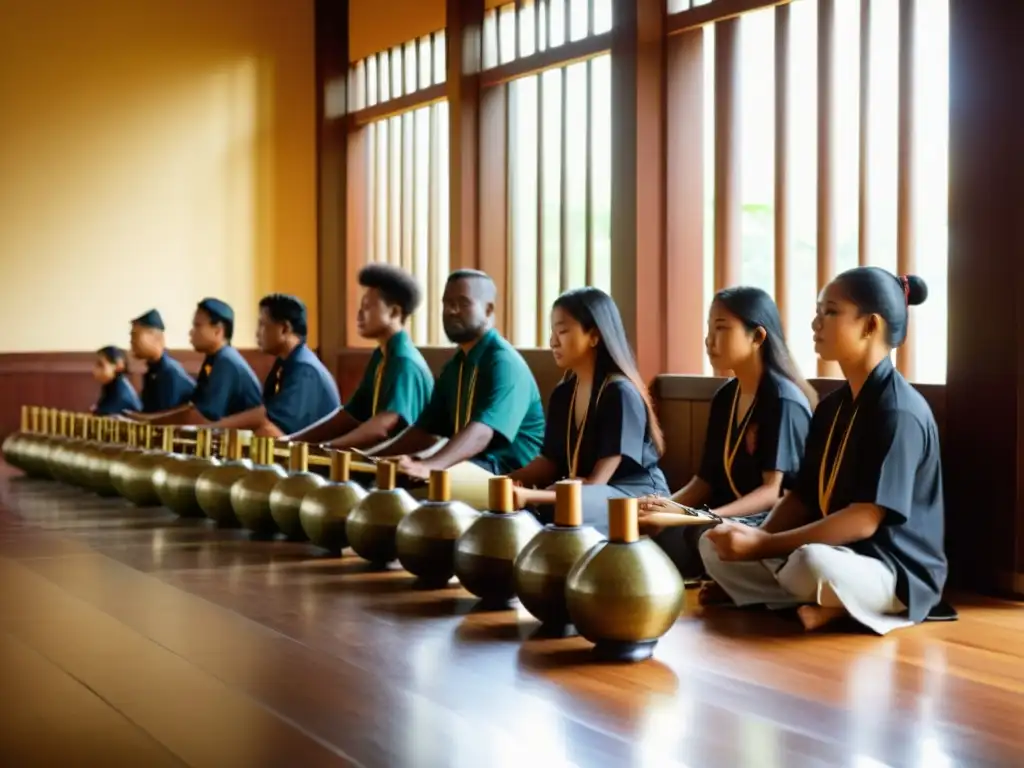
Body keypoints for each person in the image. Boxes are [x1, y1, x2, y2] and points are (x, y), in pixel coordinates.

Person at [699, 268, 948, 635]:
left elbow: (865, 519)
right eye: (818, 311)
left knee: (810, 562)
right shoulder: (833, 407)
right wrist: (755, 540)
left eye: (830, 312)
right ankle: (828, 604)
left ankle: (840, 606)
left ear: (870, 326)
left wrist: (764, 546)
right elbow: (801, 498)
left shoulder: (898, 411)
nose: (815, 323)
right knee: (713, 542)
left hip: (890, 568)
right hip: (834, 556)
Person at [637, 286, 816, 584]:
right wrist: (667, 509)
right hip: (724, 514)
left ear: (757, 337)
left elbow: (773, 492)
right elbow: (703, 481)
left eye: (721, 328)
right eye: (709, 328)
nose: (710, 339)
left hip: (773, 521)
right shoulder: (725, 397)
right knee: (649, 529)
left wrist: (701, 517)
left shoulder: (783, 399)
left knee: (708, 535)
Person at [374, 270, 545, 504]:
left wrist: (430, 466)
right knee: (386, 480)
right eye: (447, 303)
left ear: (488, 310)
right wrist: (376, 459)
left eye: (463, 303)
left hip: (510, 481)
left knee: (408, 496)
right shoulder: (456, 365)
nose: (451, 310)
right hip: (471, 470)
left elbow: (482, 433)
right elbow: (425, 431)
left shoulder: (504, 362)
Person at [508, 287, 669, 534]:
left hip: (636, 497)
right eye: (552, 331)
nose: (553, 341)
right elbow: (550, 461)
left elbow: (598, 482)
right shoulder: (563, 393)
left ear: (594, 336)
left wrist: (532, 495)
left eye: (562, 331)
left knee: (564, 504)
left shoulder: (619, 391)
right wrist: (507, 483)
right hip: (582, 493)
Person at [290, 264, 433, 449]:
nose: (359, 314)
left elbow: (384, 425)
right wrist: (293, 441)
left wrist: (325, 448)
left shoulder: (404, 362)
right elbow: (351, 415)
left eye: (368, 307)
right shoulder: (381, 356)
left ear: (394, 312)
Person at [211, 294, 341, 437]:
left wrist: (214, 427)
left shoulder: (305, 368)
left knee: (264, 432)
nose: (257, 333)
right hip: (297, 448)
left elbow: (268, 419)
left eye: (262, 324)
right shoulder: (285, 363)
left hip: (315, 455)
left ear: (284, 329)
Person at [133, 298, 262, 425]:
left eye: (197, 326)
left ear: (217, 331)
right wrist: (146, 419)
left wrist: (147, 421)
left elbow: (201, 417)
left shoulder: (225, 361)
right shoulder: (213, 361)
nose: (191, 332)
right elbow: (193, 408)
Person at [126, 309, 195, 413]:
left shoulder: (170, 373)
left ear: (155, 337)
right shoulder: (152, 372)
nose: (131, 341)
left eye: (135, 335)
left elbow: (165, 422)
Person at [91, 346, 142, 415]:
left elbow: (105, 413)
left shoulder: (120, 391)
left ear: (118, 366)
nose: (94, 370)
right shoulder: (111, 386)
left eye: (101, 365)